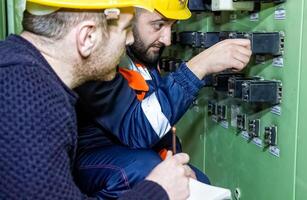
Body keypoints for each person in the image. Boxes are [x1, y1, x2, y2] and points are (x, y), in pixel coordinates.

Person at [0, 0, 195, 199]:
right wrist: (157, 191)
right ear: (88, 37)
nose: (129, 40)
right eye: (126, 29)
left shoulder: (22, 74)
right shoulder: (27, 104)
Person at [74, 1, 253, 199]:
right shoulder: (99, 58)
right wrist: (199, 66)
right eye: (158, 25)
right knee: (145, 169)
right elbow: (137, 129)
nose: (167, 39)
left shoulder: (142, 52)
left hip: (135, 152)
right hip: (93, 158)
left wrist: (171, 167)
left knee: (198, 183)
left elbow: (157, 118)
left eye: (172, 25)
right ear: (127, 15)